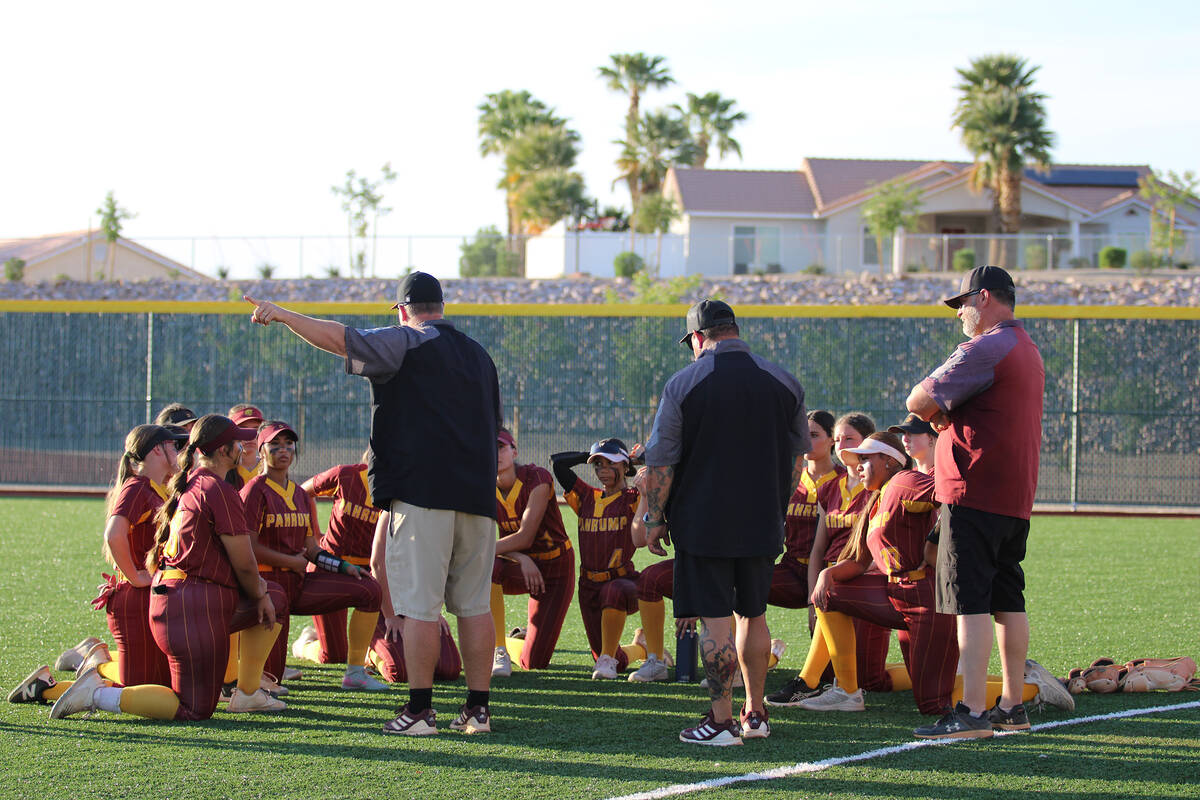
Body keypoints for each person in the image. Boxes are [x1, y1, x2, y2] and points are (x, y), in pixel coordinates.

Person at [244, 271, 501, 736]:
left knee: (421, 608)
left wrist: (283, 315)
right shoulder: (480, 356)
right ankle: (478, 710)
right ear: (442, 306)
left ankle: (421, 712)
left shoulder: (407, 340)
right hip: (479, 498)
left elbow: (340, 338)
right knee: (474, 606)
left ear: (402, 310)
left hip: (425, 496)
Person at [642, 299, 809, 745]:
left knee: (716, 622)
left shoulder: (684, 382)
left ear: (698, 337)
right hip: (762, 520)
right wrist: (777, 503)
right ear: (734, 329)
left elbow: (660, 460)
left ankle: (719, 722)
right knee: (753, 614)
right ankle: (756, 713)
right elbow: (798, 459)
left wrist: (654, 516)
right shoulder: (784, 381)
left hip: (704, 522)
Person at [49, 414, 288, 720]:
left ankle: (248, 693)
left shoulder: (192, 482)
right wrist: (260, 594)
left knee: (276, 596)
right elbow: (243, 562)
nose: (243, 448)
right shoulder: (215, 488)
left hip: (180, 601)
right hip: (192, 605)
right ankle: (97, 693)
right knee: (194, 708)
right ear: (224, 451)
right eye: (237, 443)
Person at [905, 265, 1046, 739]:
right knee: (1008, 597)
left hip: (973, 489)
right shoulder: (1027, 347)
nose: (961, 312)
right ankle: (1010, 705)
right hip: (1012, 494)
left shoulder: (987, 345)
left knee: (971, 602)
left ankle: (971, 711)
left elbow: (917, 400)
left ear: (984, 298)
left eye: (963, 303)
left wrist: (940, 415)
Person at [8, 424, 187, 707]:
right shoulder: (137, 487)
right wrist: (135, 577)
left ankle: (92, 659)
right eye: (175, 446)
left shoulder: (156, 488)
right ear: (156, 449)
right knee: (132, 688)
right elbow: (113, 534)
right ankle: (47, 687)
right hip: (135, 598)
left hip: (150, 596)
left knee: (159, 685)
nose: (180, 451)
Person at [801, 433, 956, 715]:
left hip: (927, 597)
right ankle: (847, 692)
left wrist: (934, 541)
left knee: (934, 704)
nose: (858, 466)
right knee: (831, 592)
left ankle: (1029, 687)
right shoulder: (875, 500)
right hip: (896, 592)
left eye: (865, 459)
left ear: (888, 460)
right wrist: (828, 574)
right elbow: (859, 562)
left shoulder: (903, 481)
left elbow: (950, 492)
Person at [241, 421, 384, 691]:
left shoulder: (298, 493)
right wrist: (292, 562)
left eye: (288, 445)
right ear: (261, 451)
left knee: (370, 589)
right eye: (275, 446)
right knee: (272, 679)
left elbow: (312, 549)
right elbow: (248, 547)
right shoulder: (254, 491)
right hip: (267, 586)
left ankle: (355, 673)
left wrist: (343, 568)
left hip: (298, 583)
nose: (283, 451)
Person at [293, 456, 462, 683]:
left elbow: (424, 555)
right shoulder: (346, 476)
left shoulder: (408, 490)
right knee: (333, 655)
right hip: (333, 566)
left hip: (378, 578)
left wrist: (431, 609)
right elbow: (300, 494)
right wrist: (313, 538)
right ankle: (305, 645)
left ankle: (367, 652)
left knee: (447, 667)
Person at [550, 438, 643, 679]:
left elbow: (662, 477)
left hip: (623, 582)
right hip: (588, 585)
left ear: (624, 465)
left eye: (610, 463)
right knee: (610, 659)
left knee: (606, 656)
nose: (602, 470)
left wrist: (638, 460)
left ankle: (615, 655)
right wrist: (589, 455)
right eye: (598, 464)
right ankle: (640, 646)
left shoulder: (633, 497)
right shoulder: (586, 497)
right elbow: (558, 464)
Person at [491, 428, 575, 675]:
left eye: (501, 447)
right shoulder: (480, 485)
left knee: (534, 661)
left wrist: (479, 552)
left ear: (514, 451)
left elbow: (525, 536)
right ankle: (499, 649)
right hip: (520, 564)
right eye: (488, 447)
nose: (495, 454)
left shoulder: (537, 477)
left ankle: (640, 647)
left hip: (554, 567)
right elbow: (494, 543)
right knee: (487, 567)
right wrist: (520, 558)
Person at [359, 510, 464, 684]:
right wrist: (390, 616)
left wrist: (434, 611)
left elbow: (435, 565)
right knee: (399, 672)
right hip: (387, 604)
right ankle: (370, 654)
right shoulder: (392, 511)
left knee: (449, 669)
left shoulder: (435, 511)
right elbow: (377, 564)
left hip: (418, 602)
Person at [226, 404, 265, 490]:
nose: (250, 436)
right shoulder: (223, 469)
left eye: (256, 429)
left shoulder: (268, 468)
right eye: (243, 429)